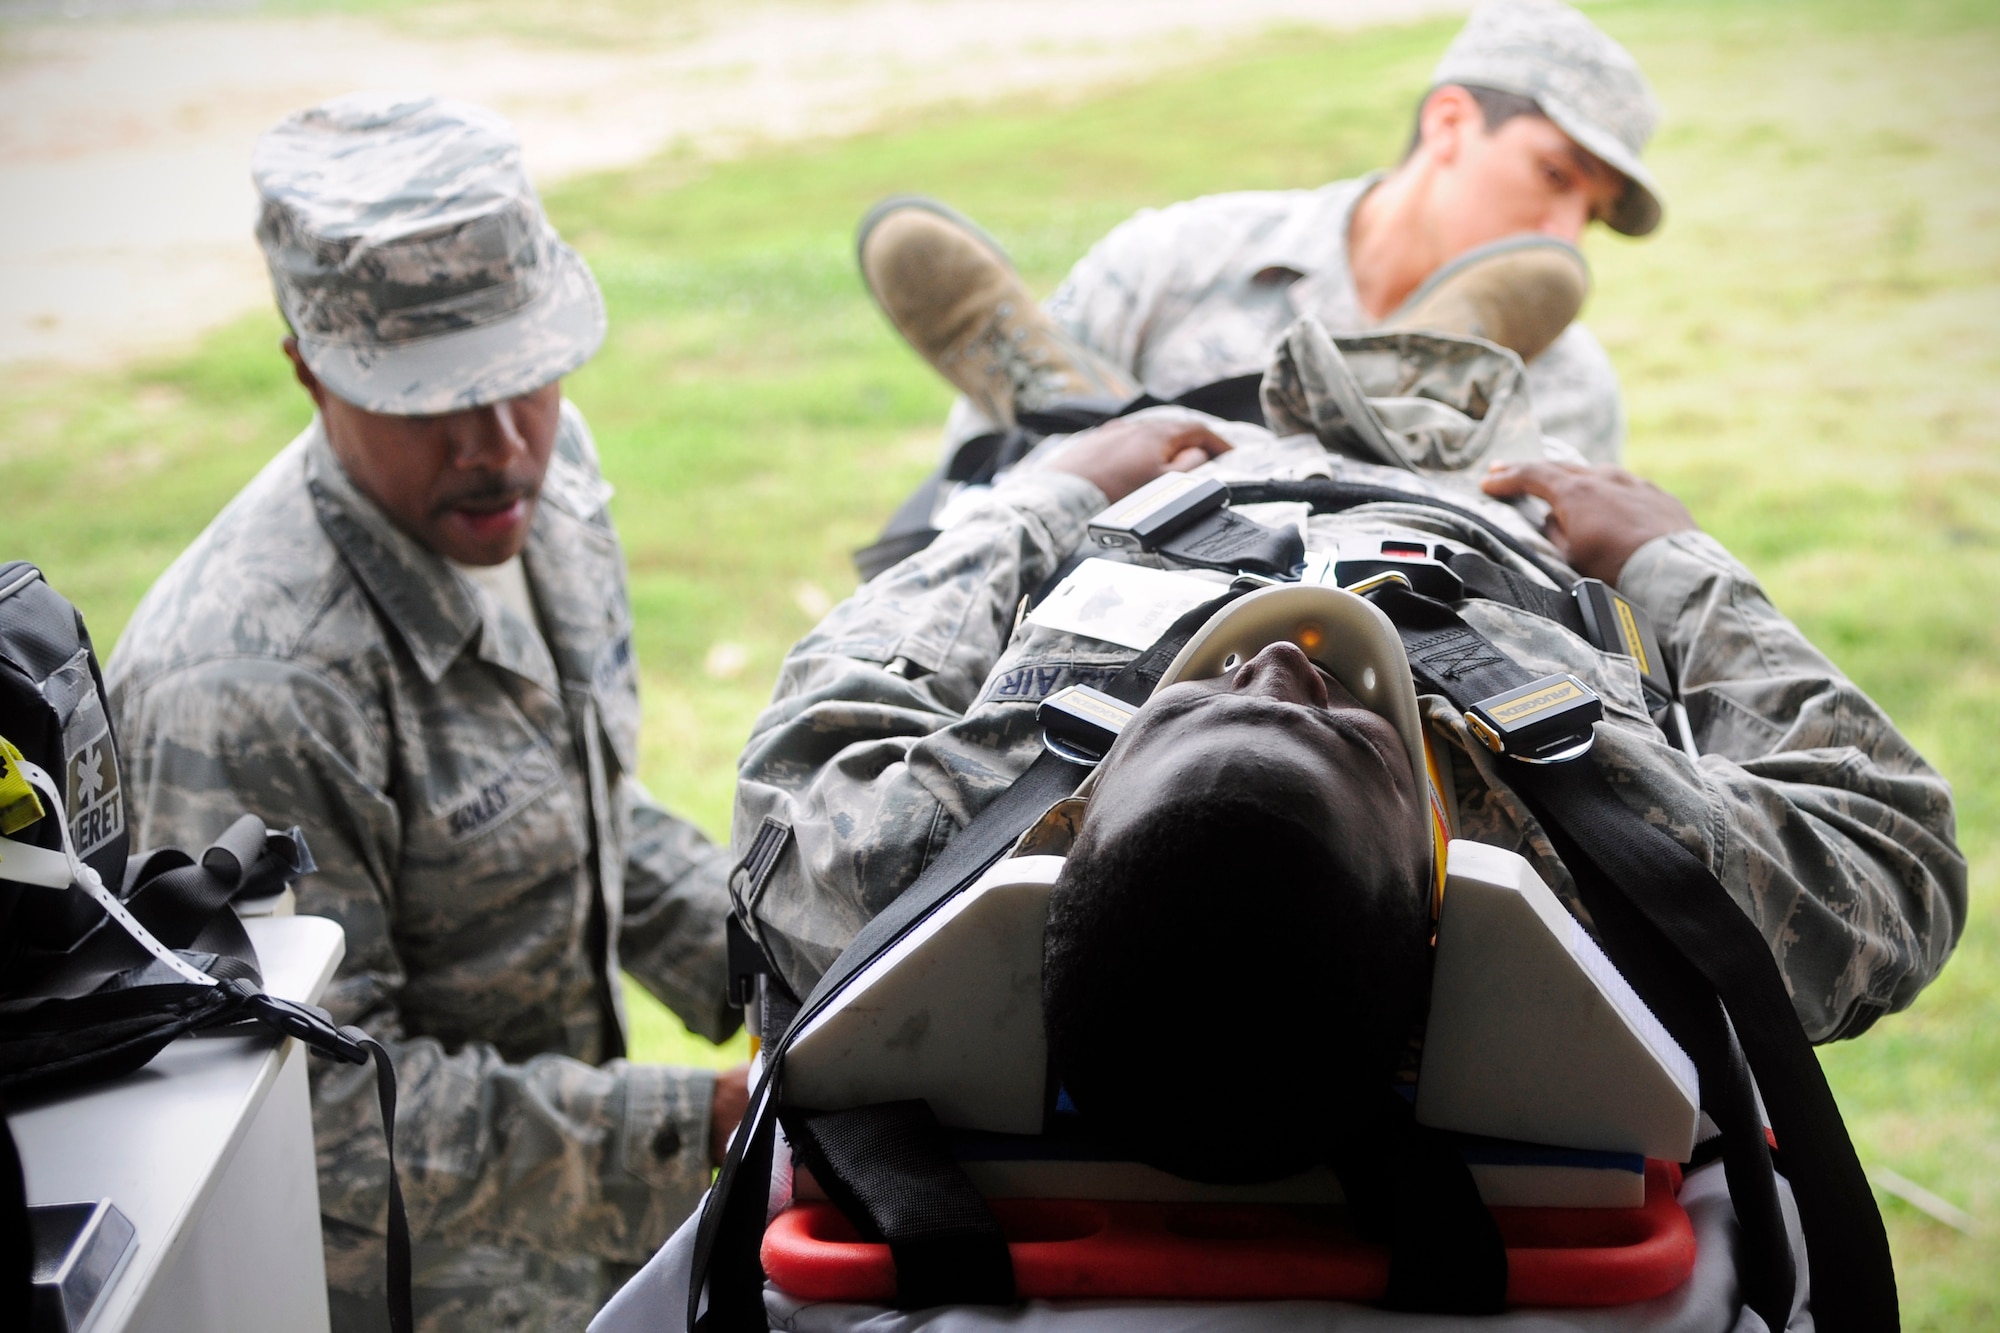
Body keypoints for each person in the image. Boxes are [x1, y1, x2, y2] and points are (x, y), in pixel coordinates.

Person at [106, 93, 749, 1332]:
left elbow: (585, 819)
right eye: (432, 396)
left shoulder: (538, 494)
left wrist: (806, 976)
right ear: (307, 364)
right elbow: (328, 1111)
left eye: (522, 374)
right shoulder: (250, 688)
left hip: (590, 1251)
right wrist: (710, 1119)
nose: (500, 442)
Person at [893, 0, 1658, 479]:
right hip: (1083, 639)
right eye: (1555, 175)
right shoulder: (1178, 256)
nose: (1565, 237)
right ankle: (1077, 419)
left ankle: (1109, 422)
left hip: (1351, 679)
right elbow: (968, 480)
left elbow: (1541, 602)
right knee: (1027, 465)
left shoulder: (1567, 386)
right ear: (1449, 123)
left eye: (1589, 215)